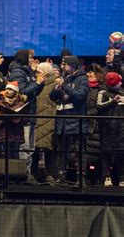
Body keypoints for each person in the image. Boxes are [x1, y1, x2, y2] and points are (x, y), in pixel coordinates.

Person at [8, 49, 46, 184]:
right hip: (23, 116)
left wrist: (39, 80)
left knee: (29, 147)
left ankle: (26, 174)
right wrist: (36, 82)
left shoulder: (27, 71)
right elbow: (22, 92)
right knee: (24, 147)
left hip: (30, 114)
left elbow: (35, 92)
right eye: (30, 57)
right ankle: (23, 175)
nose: (32, 60)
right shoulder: (17, 72)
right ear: (24, 58)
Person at [49, 55, 89, 185]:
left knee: (79, 151)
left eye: (65, 65)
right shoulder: (65, 78)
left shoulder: (82, 79)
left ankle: (80, 178)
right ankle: (61, 176)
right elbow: (52, 97)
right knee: (62, 150)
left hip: (76, 120)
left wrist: (65, 86)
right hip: (62, 120)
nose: (63, 67)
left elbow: (80, 96)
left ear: (72, 65)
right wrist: (56, 90)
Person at [96, 72, 124, 186]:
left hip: (121, 129)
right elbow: (99, 107)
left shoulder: (122, 93)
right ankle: (106, 177)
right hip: (107, 129)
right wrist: (113, 102)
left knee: (121, 154)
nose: (121, 83)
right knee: (107, 154)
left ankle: (122, 178)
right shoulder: (102, 93)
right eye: (119, 82)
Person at [0, 81, 27, 160]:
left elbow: (25, 119)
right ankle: (7, 172)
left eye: (10, 89)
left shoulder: (21, 103)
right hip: (5, 132)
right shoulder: (0, 103)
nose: (7, 91)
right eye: (7, 89)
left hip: (16, 133)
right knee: (6, 154)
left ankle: (15, 172)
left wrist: (16, 117)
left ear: (15, 91)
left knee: (15, 154)